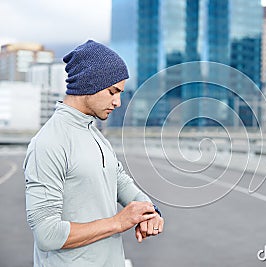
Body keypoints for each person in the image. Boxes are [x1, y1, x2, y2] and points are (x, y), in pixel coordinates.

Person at [23, 40, 164, 266]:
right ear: (90, 83)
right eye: (112, 92)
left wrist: (150, 211)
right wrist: (119, 222)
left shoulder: (95, 136)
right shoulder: (49, 142)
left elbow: (120, 182)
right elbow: (47, 234)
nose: (118, 102)